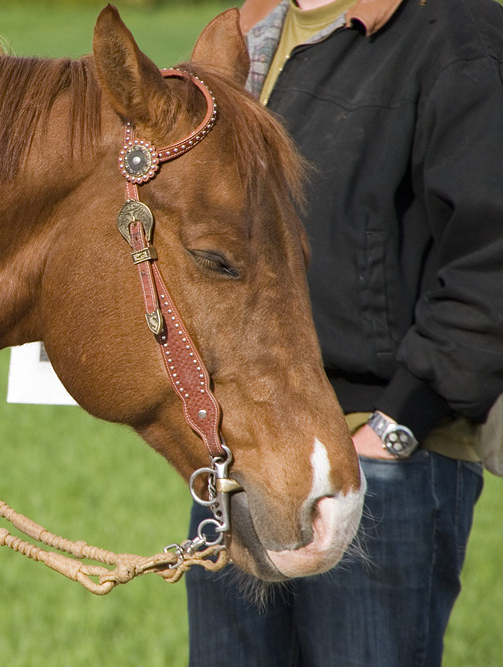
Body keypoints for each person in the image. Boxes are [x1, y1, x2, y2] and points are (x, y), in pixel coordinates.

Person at [185, 0, 503, 664]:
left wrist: (397, 424)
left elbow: (490, 254)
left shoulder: (455, 30)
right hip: (242, 460)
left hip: (380, 461)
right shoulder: (241, 32)